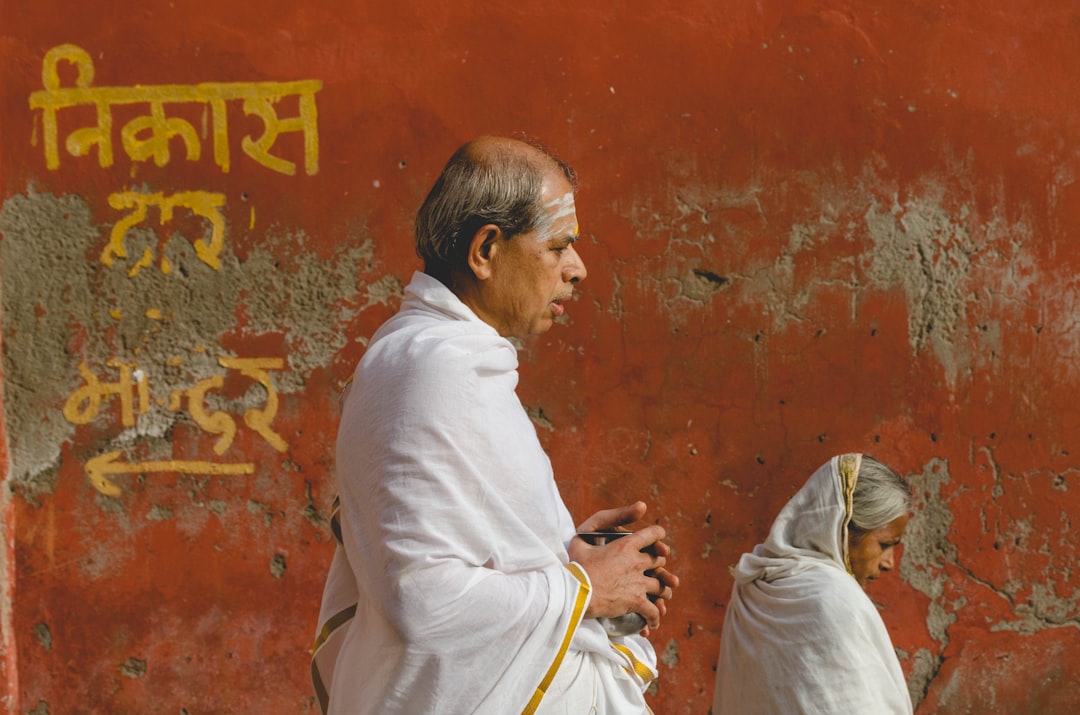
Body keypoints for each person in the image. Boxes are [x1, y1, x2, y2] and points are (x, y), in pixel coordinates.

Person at [311, 136, 679, 714]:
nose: (578, 269)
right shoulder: (432, 370)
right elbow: (421, 601)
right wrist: (585, 590)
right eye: (559, 246)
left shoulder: (432, 358)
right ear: (486, 250)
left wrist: (564, 553)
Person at [712, 453, 914, 714]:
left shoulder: (755, 584)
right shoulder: (831, 597)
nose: (889, 563)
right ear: (841, 526)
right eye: (884, 544)